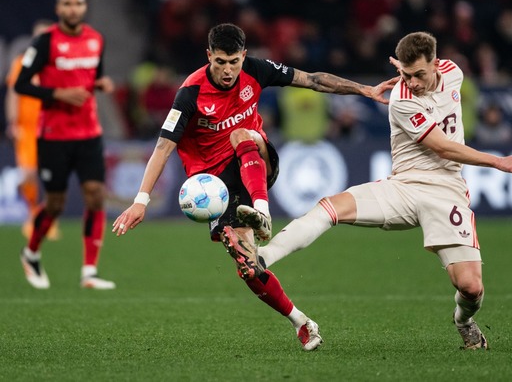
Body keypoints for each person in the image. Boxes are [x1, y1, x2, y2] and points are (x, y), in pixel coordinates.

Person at [223, 31, 512, 350]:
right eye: (406, 75)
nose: (413, 83)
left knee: (470, 287)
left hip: (447, 192)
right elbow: (443, 147)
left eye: (419, 75)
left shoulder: (454, 73)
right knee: (331, 207)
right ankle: (261, 258)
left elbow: (446, 145)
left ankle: (464, 321)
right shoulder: (401, 100)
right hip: (405, 186)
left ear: (436, 65)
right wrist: (498, 161)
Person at [111, 23, 397, 350]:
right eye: (220, 62)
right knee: (248, 267)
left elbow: (313, 80)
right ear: (209, 56)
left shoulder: (257, 70)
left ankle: (262, 212)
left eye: (234, 61)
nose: (228, 70)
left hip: (256, 160)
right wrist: (141, 200)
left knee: (241, 135)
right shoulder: (189, 93)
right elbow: (163, 147)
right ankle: (301, 322)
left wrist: (364, 90)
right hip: (214, 186)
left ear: (244, 56)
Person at [14, 0, 116, 290]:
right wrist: (57, 93)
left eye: (78, 4)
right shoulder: (45, 42)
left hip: (89, 133)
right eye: (67, 4)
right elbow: (21, 84)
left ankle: (89, 271)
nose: (73, 9)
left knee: (96, 194)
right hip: (54, 134)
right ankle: (31, 252)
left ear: (84, 9)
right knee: (55, 203)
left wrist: (100, 84)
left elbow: (91, 76)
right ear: (59, 10)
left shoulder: (96, 39)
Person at [4, 19, 61, 241]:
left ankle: (47, 221)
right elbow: (13, 93)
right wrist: (12, 121)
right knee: (28, 174)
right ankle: (32, 215)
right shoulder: (22, 63)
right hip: (27, 128)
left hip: (51, 127)